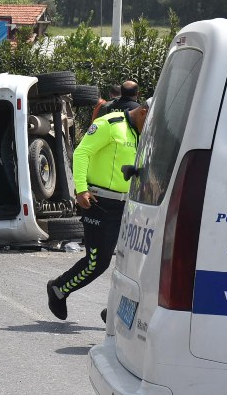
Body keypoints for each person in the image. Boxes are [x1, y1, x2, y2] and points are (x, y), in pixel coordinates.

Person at [46, 102, 150, 320]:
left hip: (130, 206)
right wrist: (81, 189)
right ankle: (59, 289)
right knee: (97, 263)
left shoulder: (145, 133)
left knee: (135, 262)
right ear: (142, 112)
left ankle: (113, 310)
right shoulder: (109, 125)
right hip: (99, 204)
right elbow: (82, 153)